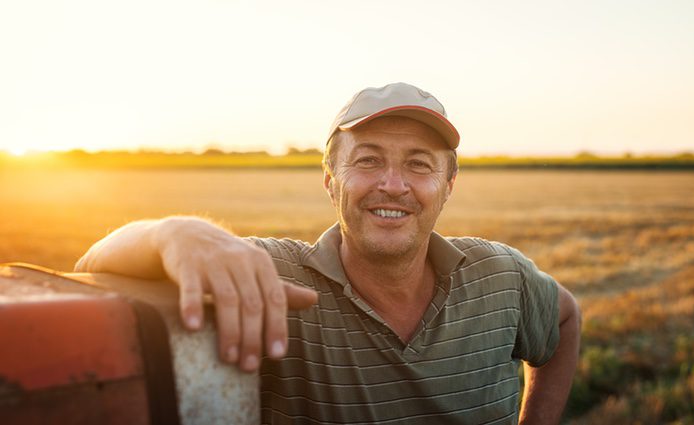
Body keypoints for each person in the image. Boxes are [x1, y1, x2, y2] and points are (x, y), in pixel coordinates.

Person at [76, 82, 581, 424]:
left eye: (419, 165)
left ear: (448, 184)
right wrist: (174, 234)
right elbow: (90, 266)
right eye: (368, 160)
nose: (392, 184)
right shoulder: (271, 276)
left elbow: (563, 320)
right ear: (329, 179)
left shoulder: (499, 274)